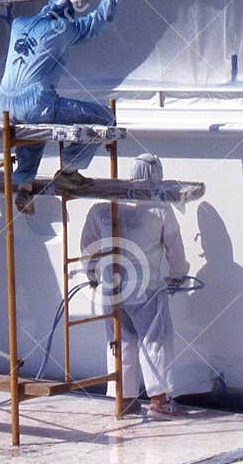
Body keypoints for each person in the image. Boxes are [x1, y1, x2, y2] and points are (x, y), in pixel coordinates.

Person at [0, 0, 123, 210]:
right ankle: (69, 171)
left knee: (34, 129)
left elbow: (47, 14)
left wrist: (72, 2)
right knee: (104, 118)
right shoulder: (63, 29)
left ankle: (24, 183)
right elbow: (92, 25)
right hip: (35, 103)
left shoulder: (19, 24)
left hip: (2, 104)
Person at [80, 153, 190, 419]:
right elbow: (174, 247)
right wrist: (178, 275)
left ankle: (125, 400)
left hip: (112, 288)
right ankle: (159, 402)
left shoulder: (103, 208)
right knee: (155, 341)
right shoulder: (159, 208)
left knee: (120, 342)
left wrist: (92, 273)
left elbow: (88, 245)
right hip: (146, 288)